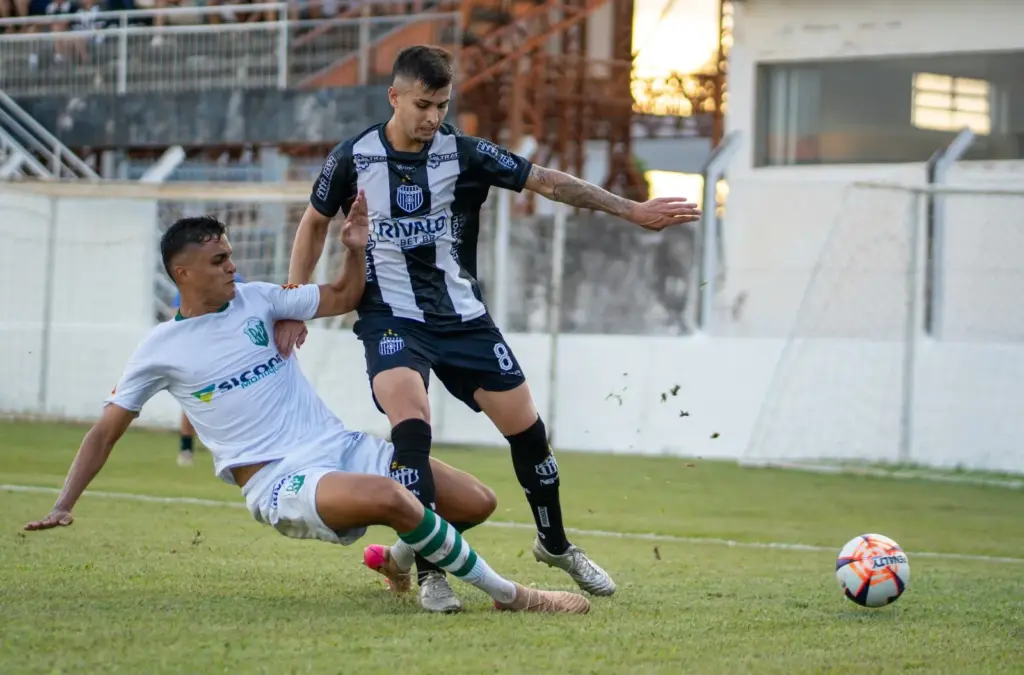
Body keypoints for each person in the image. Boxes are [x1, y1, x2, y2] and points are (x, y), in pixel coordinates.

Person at [278, 44, 702, 614]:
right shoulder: (355, 156)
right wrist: (295, 301)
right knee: (412, 425)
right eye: (423, 104)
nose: (433, 117)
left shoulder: (463, 153)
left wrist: (630, 209)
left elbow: (547, 182)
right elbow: (314, 224)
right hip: (389, 317)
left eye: (442, 105)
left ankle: (554, 545)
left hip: (462, 318)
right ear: (395, 97)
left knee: (528, 433)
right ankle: (432, 573)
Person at [22, 205, 591, 616]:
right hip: (279, 479)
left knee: (475, 501)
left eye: (231, 257)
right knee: (397, 496)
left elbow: (342, 297)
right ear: (183, 273)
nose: (231, 267)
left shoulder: (259, 299)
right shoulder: (158, 350)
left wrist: (355, 248)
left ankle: (395, 562)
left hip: (340, 447)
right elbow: (104, 432)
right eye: (219, 260)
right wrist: (64, 504)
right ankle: (515, 597)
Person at [171, 270, 245, 467]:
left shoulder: (236, 281)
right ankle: (186, 447)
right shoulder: (192, 281)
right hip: (201, 352)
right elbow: (176, 316)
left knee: (236, 397)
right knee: (198, 398)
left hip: (230, 352)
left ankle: (231, 445)